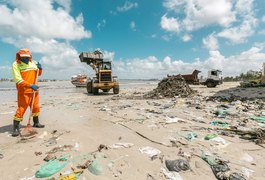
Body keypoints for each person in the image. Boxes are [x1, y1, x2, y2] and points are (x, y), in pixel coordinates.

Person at [12, 48, 45, 137]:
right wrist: (30, 85)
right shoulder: (16, 64)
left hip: (34, 90)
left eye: (27, 57)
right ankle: (15, 127)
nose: (26, 59)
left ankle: (36, 122)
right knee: (21, 108)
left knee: (35, 107)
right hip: (24, 91)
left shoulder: (33, 63)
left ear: (30, 56)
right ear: (19, 56)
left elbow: (38, 75)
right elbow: (18, 79)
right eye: (24, 57)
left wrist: (40, 68)